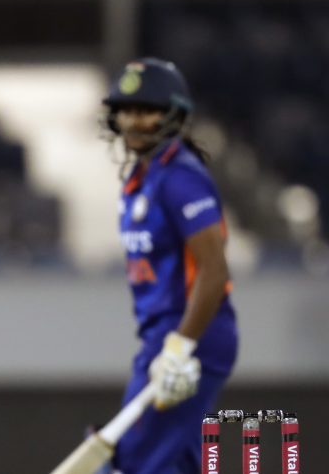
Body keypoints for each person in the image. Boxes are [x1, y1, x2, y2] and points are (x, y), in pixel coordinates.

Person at [100, 57, 238, 473]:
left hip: (189, 338)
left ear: (173, 115)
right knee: (175, 464)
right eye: (125, 110)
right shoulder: (141, 179)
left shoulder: (181, 178)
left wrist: (180, 347)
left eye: (146, 110)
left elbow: (214, 271)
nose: (132, 122)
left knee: (129, 463)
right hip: (164, 339)